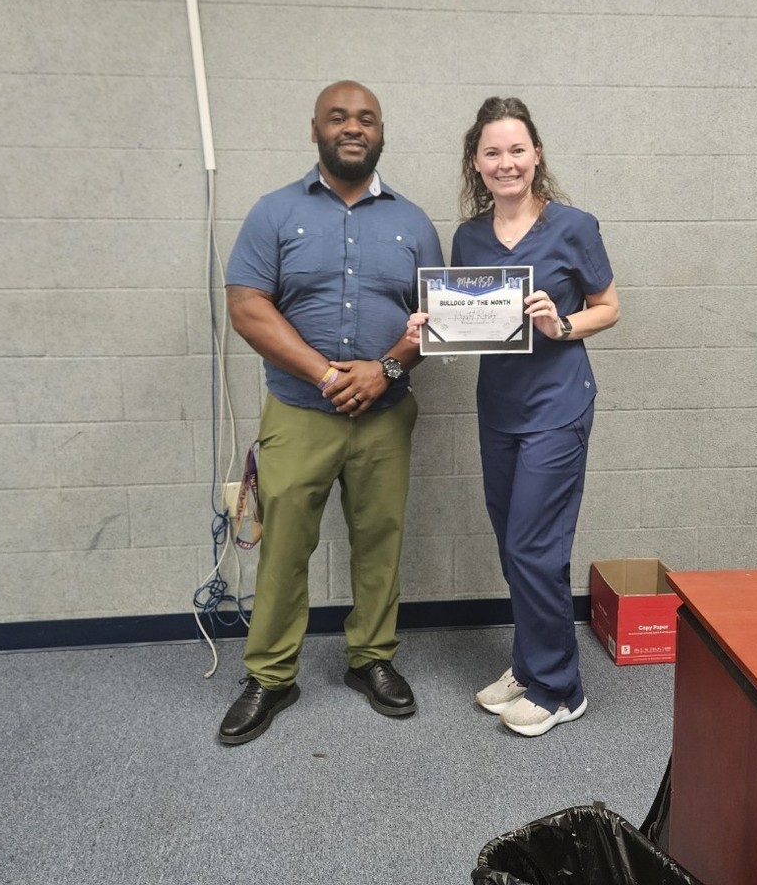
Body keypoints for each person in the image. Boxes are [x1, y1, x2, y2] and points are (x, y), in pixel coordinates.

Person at [218, 80, 444, 745]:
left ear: (381, 133)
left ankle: (371, 658)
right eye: (338, 117)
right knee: (284, 547)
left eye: (366, 119)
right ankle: (270, 674)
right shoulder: (274, 213)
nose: (353, 127)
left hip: (385, 417)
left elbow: (439, 320)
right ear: (314, 129)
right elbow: (247, 307)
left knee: (380, 542)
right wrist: (324, 373)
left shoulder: (414, 222)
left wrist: (386, 369)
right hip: (298, 414)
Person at [407, 97, 619, 737]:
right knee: (513, 544)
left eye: (517, 150)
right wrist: (429, 328)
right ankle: (529, 665)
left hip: (557, 405)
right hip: (498, 408)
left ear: (537, 154)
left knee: (535, 545)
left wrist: (562, 324)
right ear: (476, 162)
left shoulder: (574, 226)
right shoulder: (469, 237)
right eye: (493, 152)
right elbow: (470, 320)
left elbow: (608, 306)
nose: (507, 163)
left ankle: (560, 689)